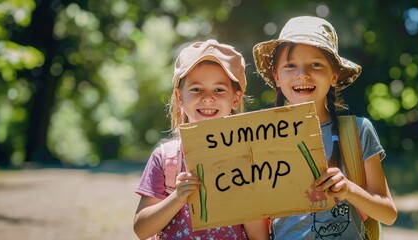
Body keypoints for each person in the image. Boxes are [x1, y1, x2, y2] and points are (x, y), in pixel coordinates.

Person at [252, 16, 397, 239]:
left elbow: (388, 214)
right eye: (290, 66)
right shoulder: (259, 139)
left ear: (334, 75)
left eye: (316, 64)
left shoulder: (358, 131)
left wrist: (349, 189)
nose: (303, 74)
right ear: (276, 77)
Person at [134, 39, 269, 240]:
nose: (207, 97)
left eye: (219, 89)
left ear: (235, 99)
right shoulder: (166, 158)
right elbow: (141, 229)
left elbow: (260, 237)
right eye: (196, 89)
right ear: (179, 97)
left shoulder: (249, 158)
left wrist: (244, 196)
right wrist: (177, 197)